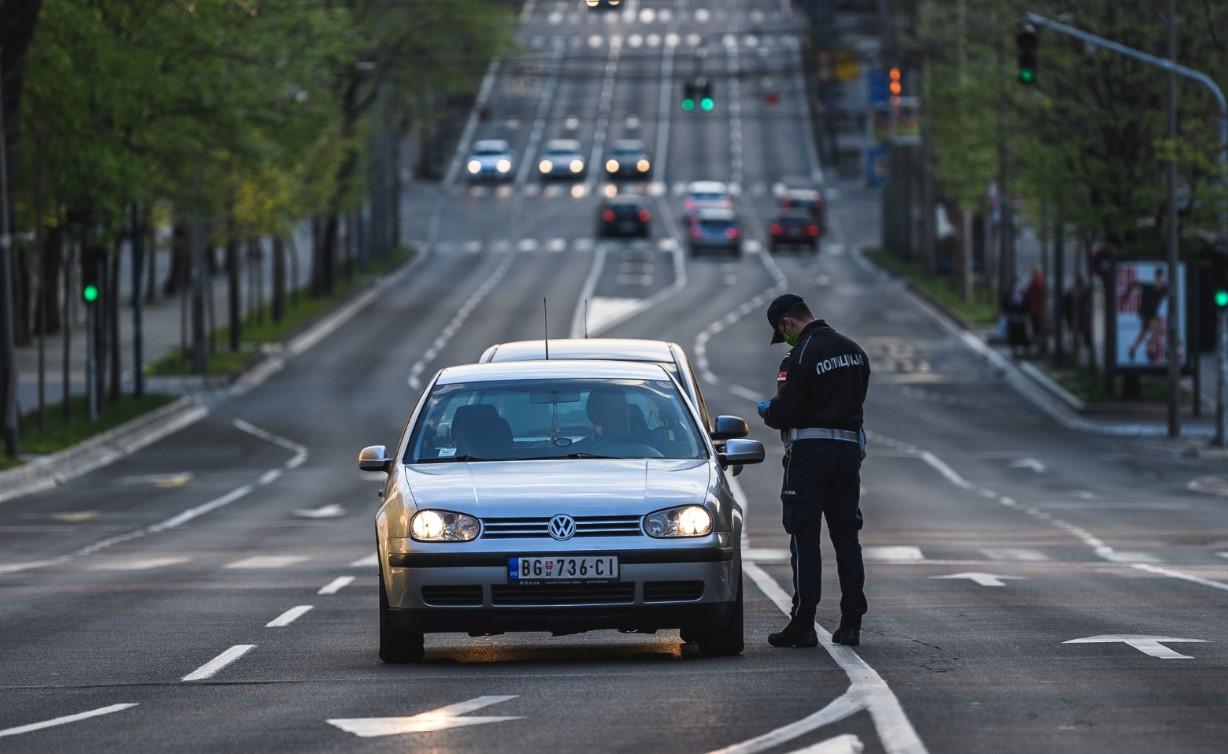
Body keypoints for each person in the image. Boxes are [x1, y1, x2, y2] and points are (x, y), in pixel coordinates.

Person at [756, 294, 871, 648]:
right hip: (848, 454)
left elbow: (786, 411)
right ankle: (851, 622)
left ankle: (804, 623)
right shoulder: (855, 352)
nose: (784, 339)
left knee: (805, 538)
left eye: (782, 332)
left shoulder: (800, 356)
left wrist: (768, 411)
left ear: (788, 323)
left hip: (809, 457)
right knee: (847, 538)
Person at [1024, 265, 1046, 353]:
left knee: (1037, 329)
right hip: (1037, 308)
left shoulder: (1037, 281)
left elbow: (1029, 291)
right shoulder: (1040, 280)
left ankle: (1040, 346)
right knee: (1037, 328)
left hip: (1036, 309)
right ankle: (1040, 345)